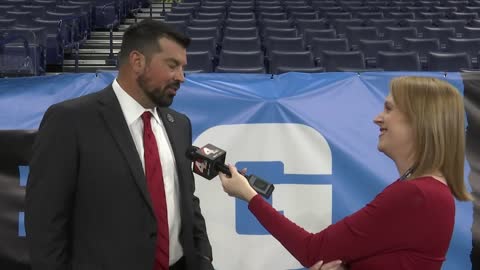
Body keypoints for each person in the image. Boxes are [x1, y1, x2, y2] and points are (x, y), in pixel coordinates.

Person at [219, 76, 472, 270]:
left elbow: (311, 250)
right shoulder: (424, 191)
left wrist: (250, 197)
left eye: (389, 109)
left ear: (418, 120)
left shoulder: (417, 194)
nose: (377, 118)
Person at [25, 19, 214, 270]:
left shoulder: (180, 125)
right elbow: (45, 222)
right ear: (137, 62)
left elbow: (187, 201)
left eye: (182, 67)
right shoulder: (70, 121)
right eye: (172, 65)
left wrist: (203, 259)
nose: (181, 77)